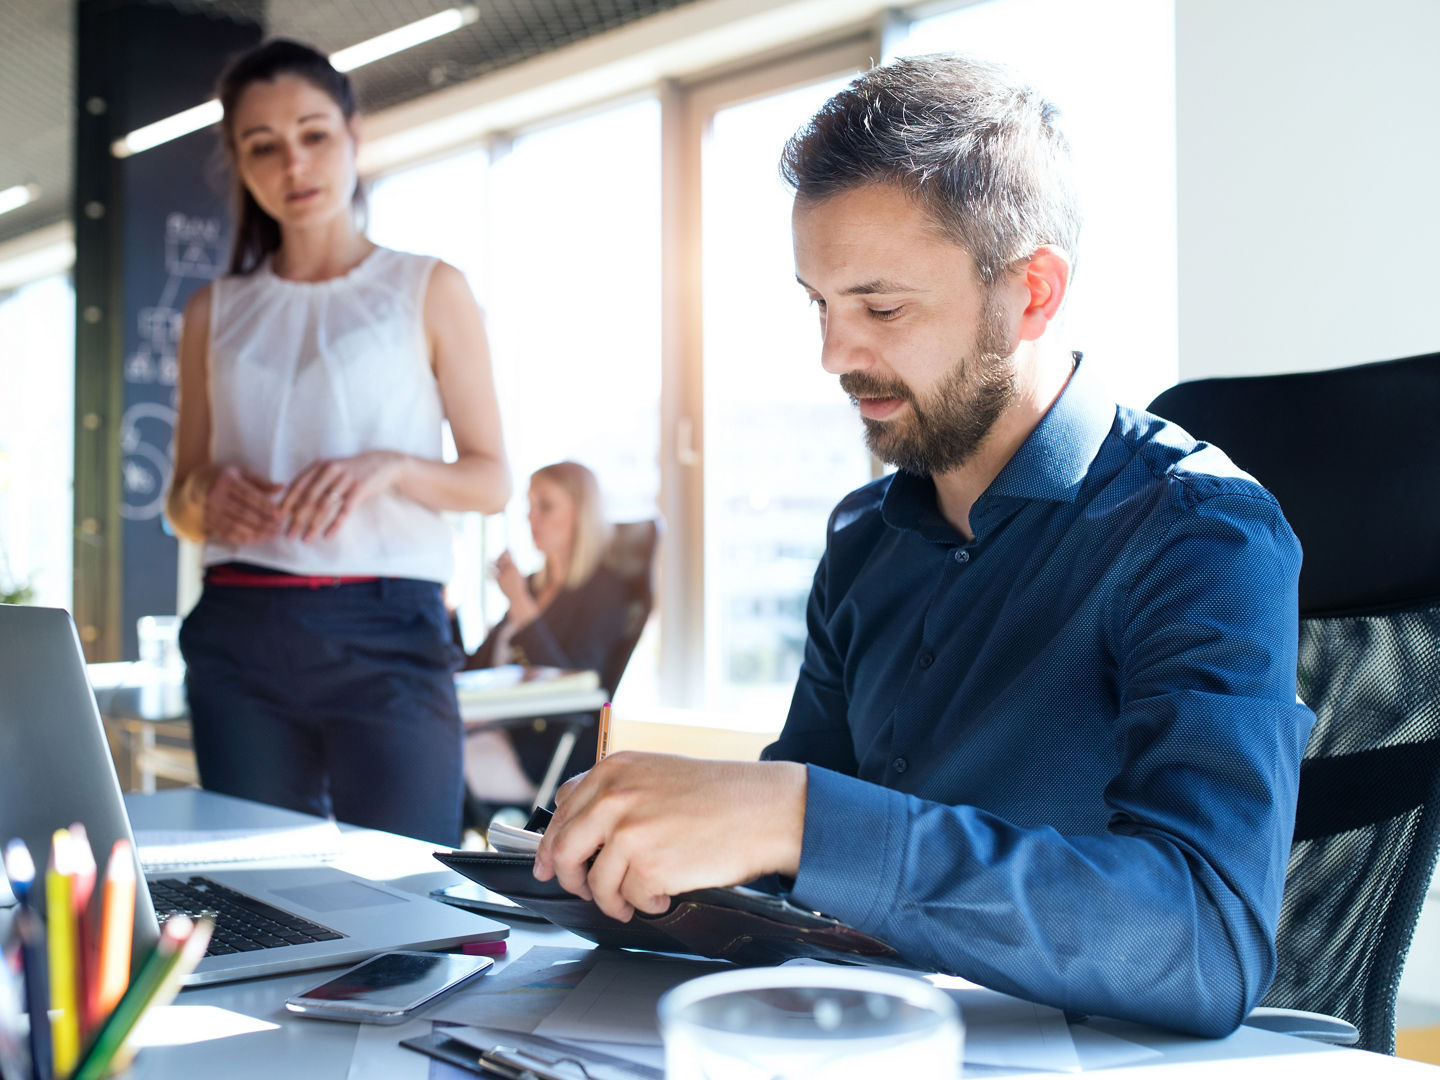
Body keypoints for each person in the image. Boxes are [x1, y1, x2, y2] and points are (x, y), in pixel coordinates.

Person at [533, 54, 1315, 1037]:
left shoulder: (1199, 534)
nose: (833, 354)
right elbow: (792, 870)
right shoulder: (863, 541)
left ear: (1031, 293)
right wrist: (669, 854)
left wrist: (797, 817)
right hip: (848, 1038)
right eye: (819, 304)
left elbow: (1206, 939)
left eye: (881, 307)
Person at [165, 39, 510, 846]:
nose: (295, 163)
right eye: (264, 146)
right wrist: (206, 495)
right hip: (239, 633)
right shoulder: (212, 312)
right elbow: (181, 501)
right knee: (264, 898)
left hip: (388, 628)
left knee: (412, 895)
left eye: (314, 134)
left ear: (355, 135)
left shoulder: (427, 287)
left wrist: (390, 467)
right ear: (239, 162)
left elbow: (491, 482)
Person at [460, 462, 631, 809]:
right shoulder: (535, 586)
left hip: (539, 755)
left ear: (580, 515)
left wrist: (520, 603)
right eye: (529, 506)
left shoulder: (603, 593)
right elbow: (475, 668)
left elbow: (575, 683)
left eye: (545, 505)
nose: (530, 517)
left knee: (426, 758)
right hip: (486, 734)